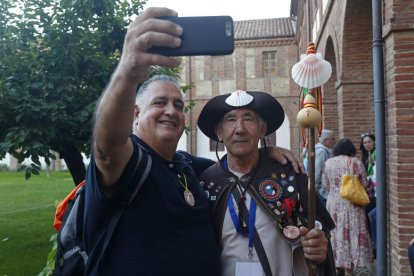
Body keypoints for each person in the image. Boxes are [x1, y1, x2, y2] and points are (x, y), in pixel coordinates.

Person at [83, 7, 304, 275]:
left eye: (178, 105)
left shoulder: (186, 165)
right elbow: (106, 149)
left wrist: (265, 150)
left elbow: (234, 162)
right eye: (159, 103)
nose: (171, 111)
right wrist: (127, 72)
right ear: (136, 114)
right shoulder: (127, 163)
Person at [197, 90, 336, 276]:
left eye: (248, 119)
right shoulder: (206, 182)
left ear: (263, 130)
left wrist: (318, 244)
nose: (239, 128)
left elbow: (319, 231)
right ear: (218, 132)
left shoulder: (290, 174)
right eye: (230, 120)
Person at [322, 138, 373, 275]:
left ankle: (336, 267)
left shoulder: (328, 163)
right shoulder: (355, 162)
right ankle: (349, 271)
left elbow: (325, 185)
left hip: (333, 204)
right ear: (351, 149)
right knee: (351, 235)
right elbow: (364, 184)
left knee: (335, 235)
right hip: (351, 205)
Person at [314, 129, 336, 206]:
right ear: (325, 140)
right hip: (321, 190)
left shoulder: (323, 150)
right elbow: (318, 170)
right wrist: (315, 187)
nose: (334, 141)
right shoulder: (321, 151)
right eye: (332, 139)